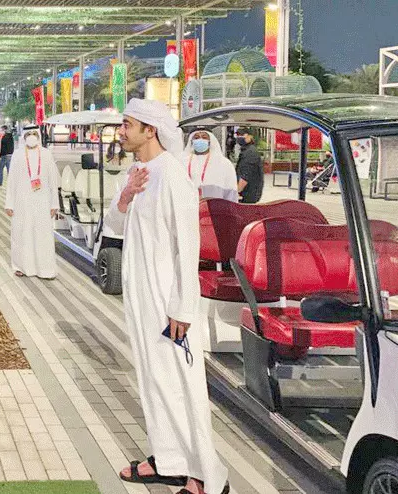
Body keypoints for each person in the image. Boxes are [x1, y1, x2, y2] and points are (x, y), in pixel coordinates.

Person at [106, 99, 229, 494]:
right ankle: (169, 460)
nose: (121, 132)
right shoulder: (136, 173)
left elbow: (187, 247)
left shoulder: (173, 175)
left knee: (181, 385)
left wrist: (182, 307)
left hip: (168, 302)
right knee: (153, 380)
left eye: (127, 125)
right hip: (142, 298)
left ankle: (206, 477)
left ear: (150, 130)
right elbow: (114, 227)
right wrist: (125, 196)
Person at [4, 125, 59, 279]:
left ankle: (45, 269)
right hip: (22, 202)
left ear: (39, 136)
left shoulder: (46, 154)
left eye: (34, 133)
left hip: (43, 201)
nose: (31, 136)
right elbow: (11, 180)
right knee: (22, 234)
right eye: (28, 134)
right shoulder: (17, 154)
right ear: (24, 136)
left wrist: (54, 203)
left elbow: (53, 181)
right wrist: (9, 203)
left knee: (43, 235)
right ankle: (21, 267)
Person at [182, 129, 238, 202]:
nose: (200, 140)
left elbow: (231, 192)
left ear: (210, 141)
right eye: (196, 138)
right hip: (187, 206)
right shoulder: (182, 162)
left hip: (215, 207)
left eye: (204, 137)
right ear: (191, 141)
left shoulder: (224, 163)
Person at [236, 128, 264, 204]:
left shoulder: (250, 153)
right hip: (248, 194)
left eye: (243, 135)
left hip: (247, 195)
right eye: (238, 135)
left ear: (250, 137)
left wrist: (236, 192)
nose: (239, 137)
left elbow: (245, 176)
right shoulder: (247, 151)